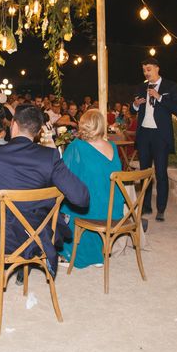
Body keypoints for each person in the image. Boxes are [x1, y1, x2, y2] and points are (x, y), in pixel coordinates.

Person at [0, 104, 90, 275]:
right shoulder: (49, 157)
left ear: (13, 124)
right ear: (37, 132)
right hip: (36, 237)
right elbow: (82, 198)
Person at [59, 110, 124, 268]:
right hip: (113, 210)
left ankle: (72, 254)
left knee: (60, 203)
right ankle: (96, 254)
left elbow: (63, 176)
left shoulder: (77, 147)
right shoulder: (113, 147)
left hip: (91, 210)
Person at [132, 58, 177, 221]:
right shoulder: (141, 86)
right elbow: (134, 110)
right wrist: (135, 104)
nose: (146, 72)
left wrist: (159, 97)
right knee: (145, 172)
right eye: (144, 70)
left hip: (160, 136)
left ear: (157, 69)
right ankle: (146, 206)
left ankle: (161, 208)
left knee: (161, 173)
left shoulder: (170, 86)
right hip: (144, 134)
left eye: (149, 69)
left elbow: (176, 108)